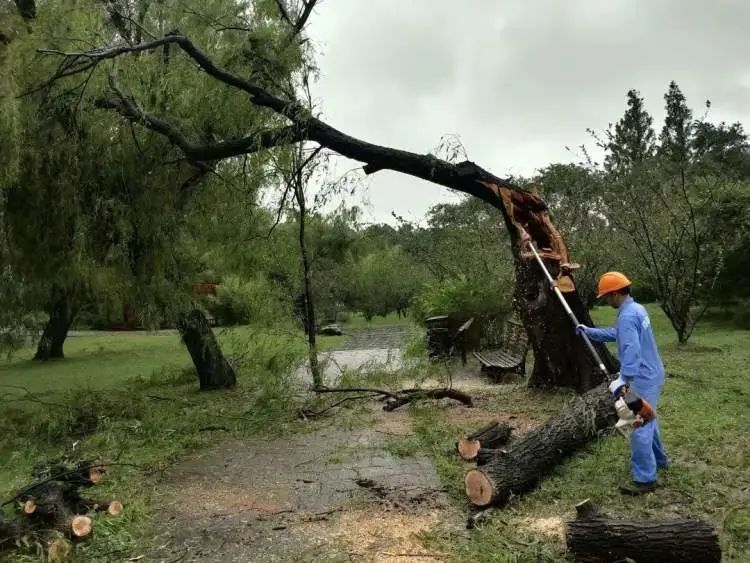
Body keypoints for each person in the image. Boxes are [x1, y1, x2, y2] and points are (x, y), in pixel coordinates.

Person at [576, 271, 669, 495]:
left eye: (607, 297)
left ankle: (645, 479)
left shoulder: (628, 315)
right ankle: (660, 460)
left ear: (616, 293)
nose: (607, 301)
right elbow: (618, 334)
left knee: (639, 423)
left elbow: (632, 350)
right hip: (652, 372)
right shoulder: (636, 309)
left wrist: (623, 379)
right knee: (649, 416)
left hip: (641, 378)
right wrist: (590, 332)